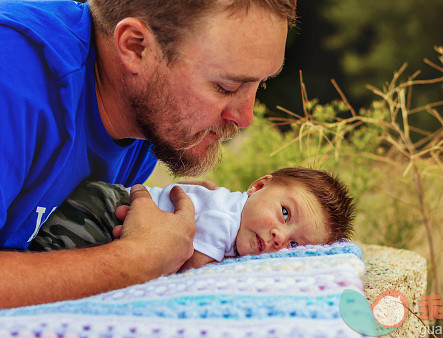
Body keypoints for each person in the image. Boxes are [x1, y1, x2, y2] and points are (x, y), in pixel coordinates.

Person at [0, 0, 296, 308]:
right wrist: (133, 261)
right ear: (135, 47)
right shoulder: (12, 80)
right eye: (226, 87)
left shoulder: (143, 115)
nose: (245, 118)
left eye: (260, 85)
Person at [29, 167, 355, 272]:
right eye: (284, 213)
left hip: (111, 207)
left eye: (294, 245)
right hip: (106, 210)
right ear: (258, 186)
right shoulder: (223, 220)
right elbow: (187, 266)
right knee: (57, 253)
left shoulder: (236, 211)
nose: (279, 238)